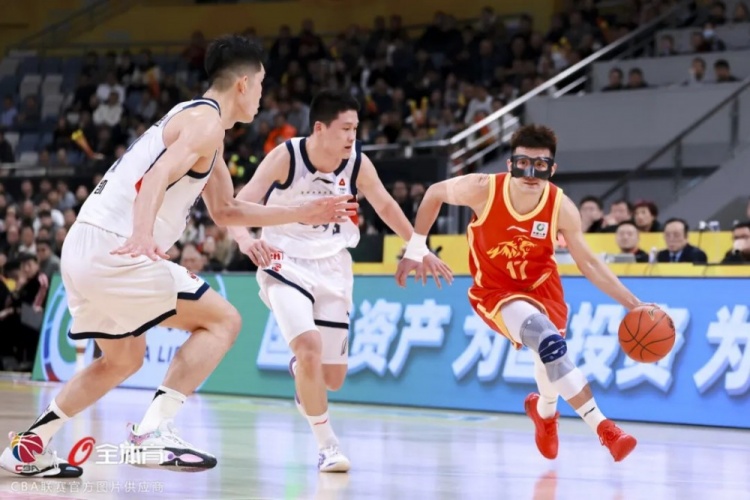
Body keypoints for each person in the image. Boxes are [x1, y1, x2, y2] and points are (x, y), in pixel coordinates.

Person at [0, 35, 356, 478]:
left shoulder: (201, 125)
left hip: (83, 248)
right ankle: (152, 431)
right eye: (262, 84)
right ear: (243, 84)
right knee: (224, 321)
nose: (263, 96)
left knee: (123, 359)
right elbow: (156, 177)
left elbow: (227, 210)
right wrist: (142, 234)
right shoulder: (205, 123)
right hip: (116, 246)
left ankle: (29, 446)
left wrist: (302, 211)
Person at [228, 90, 452, 472]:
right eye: (345, 128)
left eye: (355, 129)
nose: (352, 136)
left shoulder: (357, 163)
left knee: (332, 378)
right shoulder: (287, 157)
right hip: (283, 262)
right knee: (309, 347)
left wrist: (419, 247)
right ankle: (328, 446)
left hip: (332, 267)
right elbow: (238, 204)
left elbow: (385, 204)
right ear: (320, 128)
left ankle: (303, 375)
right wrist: (246, 240)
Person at [397, 124, 650, 463]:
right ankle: (605, 428)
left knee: (550, 361)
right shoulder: (483, 189)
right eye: (523, 164)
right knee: (548, 342)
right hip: (497, 290)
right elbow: (433, 193)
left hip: (544, 289)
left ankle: (544, 413)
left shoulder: (561, 206)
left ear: (552, 169)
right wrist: (416, 247)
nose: (531, 173)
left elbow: (588, 263)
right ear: (510, 164)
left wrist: (633, 304)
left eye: (540, 165)